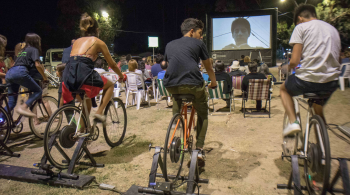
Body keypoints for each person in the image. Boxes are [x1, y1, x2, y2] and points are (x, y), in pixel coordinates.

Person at [163, 18, 217, 167]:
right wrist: (214, 82)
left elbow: (173, 65)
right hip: (193, 84)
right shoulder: (199, 44)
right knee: (203, 114)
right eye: (200, 33)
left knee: (177, 94)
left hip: (171, 85)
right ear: (192, 31)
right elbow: (209, 67)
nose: (201, 37)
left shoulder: (169, 44)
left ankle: (176, 120)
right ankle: (199, 149)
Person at [280, 4, 341, 136]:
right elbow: (338, 60)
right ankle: (322, 139)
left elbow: (295, 61)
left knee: (283, 90)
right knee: (317, 106)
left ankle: (293, 122)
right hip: (332, 81)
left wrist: (287, 67)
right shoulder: (332, 29)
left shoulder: (301, 27)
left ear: (300, 18)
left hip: (308, 80)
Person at [62, 13, 124, 125]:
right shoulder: (98, 42)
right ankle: (99, 113)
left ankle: (82, 132)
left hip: (68, 76)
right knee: (109, 85)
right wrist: (120, 75)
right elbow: (113, 64)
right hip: (83, 74)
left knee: (87, 103)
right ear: (97, 29)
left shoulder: (76, 41)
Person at [4, 33, 49, 117]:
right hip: (20, 72)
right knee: (38, 91)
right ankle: (24, 107)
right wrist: (44, 77)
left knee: (11, 102)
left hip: (10, 73)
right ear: (36, 41)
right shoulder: (33, 49)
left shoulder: (22, 51)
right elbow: (37, 65)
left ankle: (1, 120)